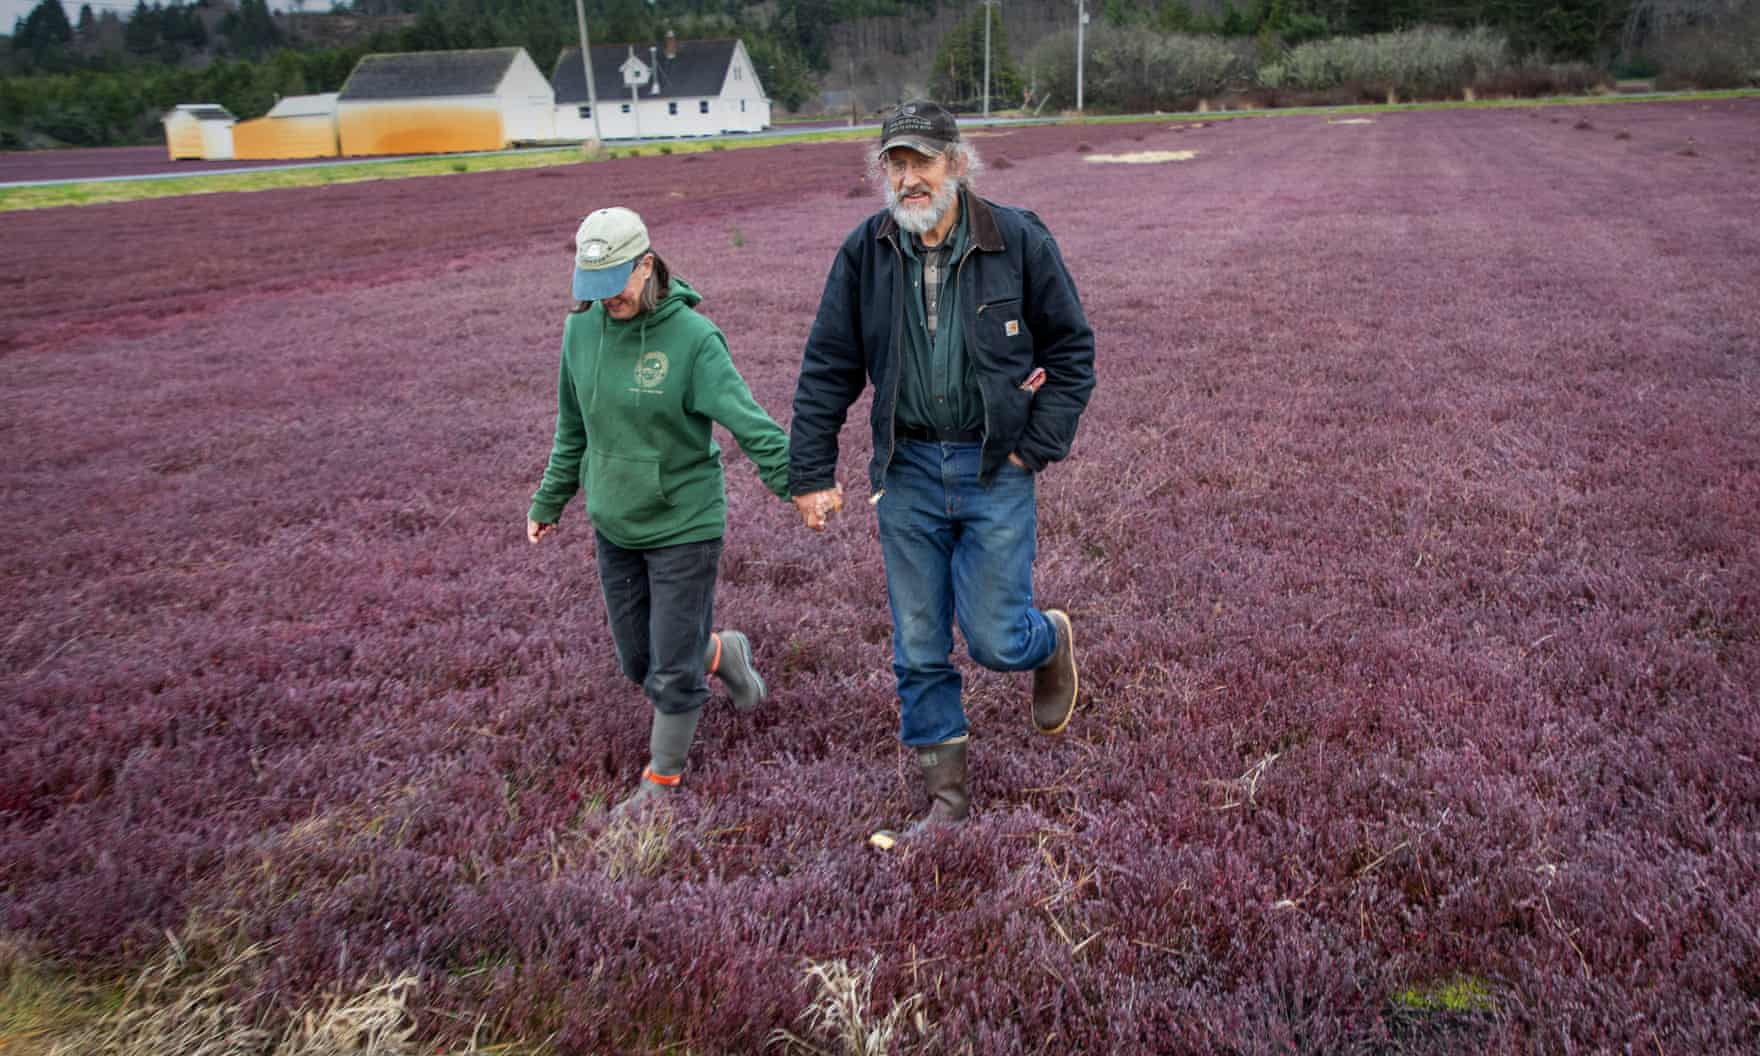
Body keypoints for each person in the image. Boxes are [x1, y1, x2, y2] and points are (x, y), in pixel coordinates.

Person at [788, 101, 1097, 848]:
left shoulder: (1016, 238)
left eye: (921, 161)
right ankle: (946, 805)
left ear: (957, 162)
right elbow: (829, 365)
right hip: (909, 472)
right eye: (895, 163)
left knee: (993, 638)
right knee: (919, 642)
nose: (907, 177)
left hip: (995, 467)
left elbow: (1074, 354)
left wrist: (1034, 447)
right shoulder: (867, 250)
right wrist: (810, 471)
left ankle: (1045, 641)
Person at [528, 206, 792, 813]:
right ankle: (724, 652)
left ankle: (662, 783)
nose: (605, 301)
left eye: (615, 285)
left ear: (646, 264)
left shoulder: (694, 340)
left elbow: (748, 423)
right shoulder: (580, 332)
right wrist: (551, 498)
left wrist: (795, 485)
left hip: (684, 523)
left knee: (671, 671)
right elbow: (574, 429)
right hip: (614, 522)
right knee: (639, 659)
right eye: (591, 290)